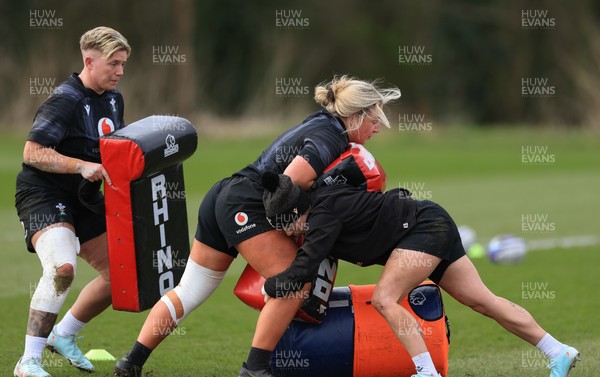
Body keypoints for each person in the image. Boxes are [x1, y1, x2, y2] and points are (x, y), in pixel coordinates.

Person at [114, 75, 401, 377]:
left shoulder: (321, 121)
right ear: (354, 117)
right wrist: (298, 214)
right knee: (296, 282)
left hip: (225, 195)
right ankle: (255, 369)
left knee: (191, 289)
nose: (378, 127)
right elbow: (290, 181)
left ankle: (131, 361)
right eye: (373, 119)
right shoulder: (330, 136)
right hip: (246, 204)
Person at [259, 171, 580, 377]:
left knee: (385, 298)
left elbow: (304, 266)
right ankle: (557, 351)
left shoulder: (320, 219)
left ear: (293, 213)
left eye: (283, 224)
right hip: (430, 221)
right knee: (484, 301)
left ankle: (426, 372)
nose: (285, 232)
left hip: (422, 230)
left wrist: (268, 286)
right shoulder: (322, 205)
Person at [14, 26, 131, 377]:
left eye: (124, 64)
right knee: (63, 269)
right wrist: (80, 165)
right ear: (89, 61)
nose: (120, 72)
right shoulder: (66, 99)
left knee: (122, 275)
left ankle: (63, 335)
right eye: (114, 64)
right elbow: (32, 152)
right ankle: (28, 361)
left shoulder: (114, 99)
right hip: (43, 194)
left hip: (83, 197)